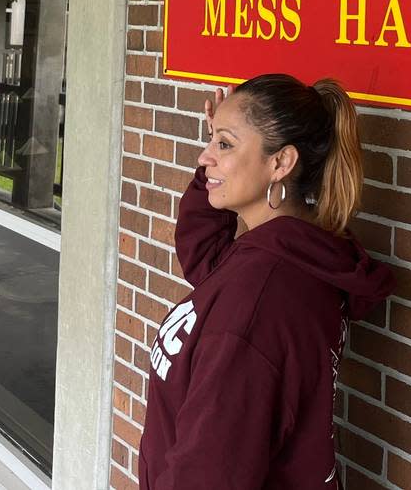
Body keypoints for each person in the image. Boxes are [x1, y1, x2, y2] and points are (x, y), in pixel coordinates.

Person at [138, 73, 395, 489]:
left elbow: (207, 477)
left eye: (224, 144)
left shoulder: (260, 301)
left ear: (280, 162)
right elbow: (204, 255)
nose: (205, 157)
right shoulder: (280, 255)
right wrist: (219, 158)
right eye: (211, 141)